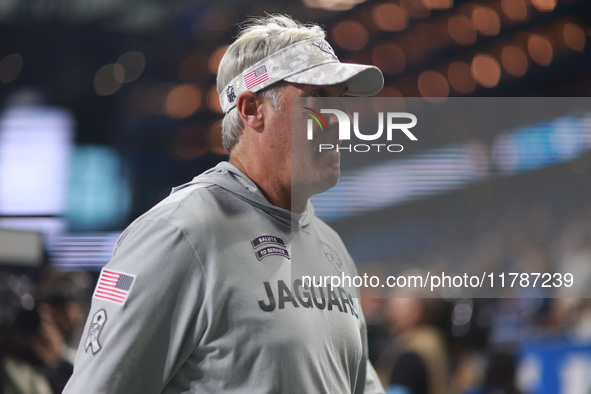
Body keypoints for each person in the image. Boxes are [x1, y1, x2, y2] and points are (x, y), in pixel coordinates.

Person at [64, 14, 385, 393]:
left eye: (340, 100)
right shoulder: (178, 234)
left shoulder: (332, 247)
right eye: (316, 98)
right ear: (251, 110)